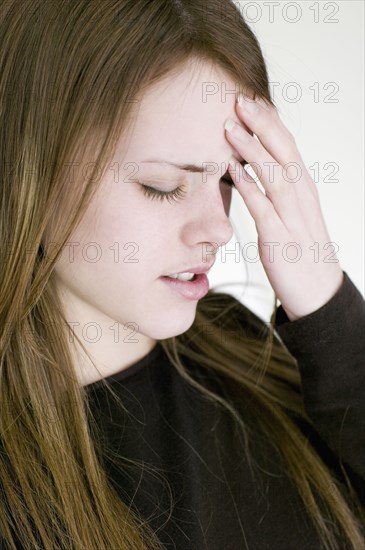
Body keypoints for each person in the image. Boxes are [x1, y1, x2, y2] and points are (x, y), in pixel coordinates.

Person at [0, 1, 364, 549]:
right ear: (28, 164)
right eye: (163, 184)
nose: (218, 229)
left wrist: (327, 312)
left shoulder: (241, 343)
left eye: (228, 182)